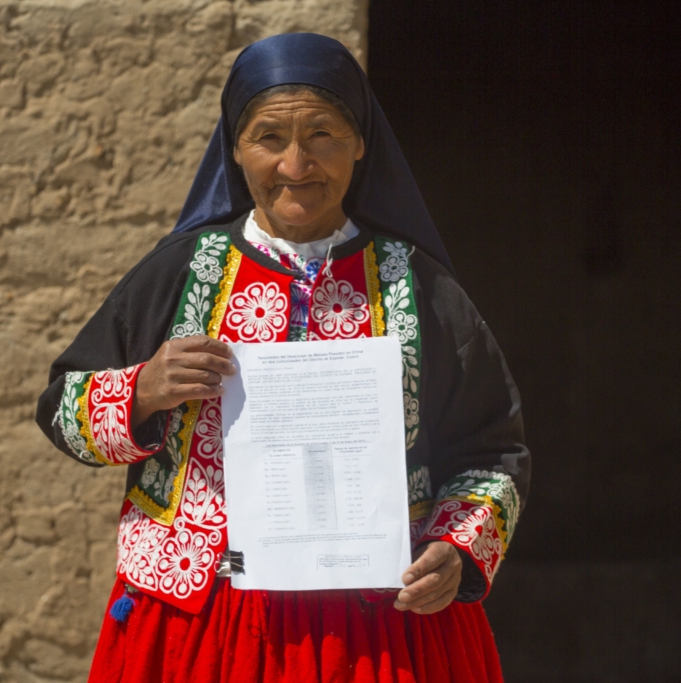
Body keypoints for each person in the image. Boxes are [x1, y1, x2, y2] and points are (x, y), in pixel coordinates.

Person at [35, 32, 529, 683]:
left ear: (360, 141)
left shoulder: (421, 288)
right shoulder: (181, 274)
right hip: (204, 629)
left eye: (322, 134)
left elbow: (492, 450)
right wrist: (144, 389)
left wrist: (459, 551)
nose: (297, 164)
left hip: (381, 629)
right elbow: (62, 411)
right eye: (269, 138)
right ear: (236, 147)